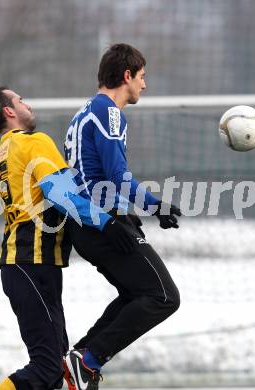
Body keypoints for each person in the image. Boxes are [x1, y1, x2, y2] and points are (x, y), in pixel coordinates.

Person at [0, 87, 135, 390]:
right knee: (47, 369)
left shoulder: (3, 151)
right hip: (30, 263)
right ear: (9, 111)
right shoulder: (34, 142)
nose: (28, 103)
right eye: (21, 100)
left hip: (25, 265)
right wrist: (108, 223)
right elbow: (63, 194)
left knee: (54, 369)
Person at [64, 43, 181, 390]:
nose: (144, 85)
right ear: (126, 75)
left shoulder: (84, 111)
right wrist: (154, 204)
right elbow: (117, 175)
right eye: (142, 77)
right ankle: (88, 360)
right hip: (100, 223)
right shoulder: (109, 112)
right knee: (163, 297)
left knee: (136, 294)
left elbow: (93, 175)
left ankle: (79, 358)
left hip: (91, 222)